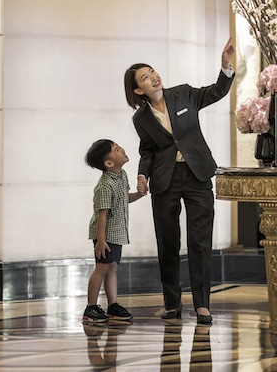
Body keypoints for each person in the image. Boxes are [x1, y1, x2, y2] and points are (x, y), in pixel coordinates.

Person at [123, 38, 235, 325]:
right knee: (168, 242)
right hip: (165, 181)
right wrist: (141, 176)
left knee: (200, 242)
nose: (153, 77)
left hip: (197, 175)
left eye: (153, 71)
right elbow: (147, 150)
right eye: (145, 77)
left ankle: (202, 305)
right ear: (138, 90)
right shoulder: (141, 119)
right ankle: (172, 303)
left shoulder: (184, 94)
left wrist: (225, 66)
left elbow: (216, 92)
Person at [83, 139, 147, 323]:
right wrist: (101, 241)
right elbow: (102, 214)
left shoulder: (122, 176)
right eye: (117, 150)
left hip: (117, 233)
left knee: (112, 269)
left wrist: (139, 195)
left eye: (120, 147)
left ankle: (113, 306)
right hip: (106, 234)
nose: (122, 150)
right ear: (109, 163)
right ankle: (91, 308)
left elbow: (123, 198)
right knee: (101, 268)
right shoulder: (105, 185)